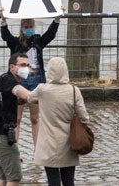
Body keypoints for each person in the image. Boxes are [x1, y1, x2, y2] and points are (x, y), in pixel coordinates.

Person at [0, 8, 62, 146]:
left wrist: (57, 19)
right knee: (17, 118)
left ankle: (37, 149)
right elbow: (6, 36)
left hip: (36, 80)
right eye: (26, 27)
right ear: (21, 28)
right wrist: (3, 20)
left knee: (35, 118)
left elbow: (50, 35)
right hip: (20, 81)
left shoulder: (38, 41)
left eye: (31, 27)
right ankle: (15, 148)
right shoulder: (15, 43)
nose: (29, 30)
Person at [32, 57, 91, 186]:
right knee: (69, 181)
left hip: (48, 144)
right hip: (69, 143)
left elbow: (30, 98)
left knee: (53, 180)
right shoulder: (74, 91)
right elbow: (84, 117)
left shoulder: (42, 89)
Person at [0, 52, 35, 186]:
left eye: (28, 65)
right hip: (1, 136)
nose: (26, 68)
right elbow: (26, 95)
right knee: (14, 178)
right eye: (23, 65)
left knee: (4, 177)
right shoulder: (8, 81)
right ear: (12, 67)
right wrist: (45, 94)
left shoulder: (3, 78)